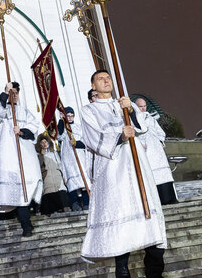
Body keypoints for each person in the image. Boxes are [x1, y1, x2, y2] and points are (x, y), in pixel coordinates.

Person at [79, 70, 167, 278]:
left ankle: (155, 270)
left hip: (138, 165)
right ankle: (122, 269)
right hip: (113, 168)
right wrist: (120, 136)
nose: (106, 80)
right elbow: (93, 136)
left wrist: (132, 111)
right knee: (121, 212)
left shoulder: (125, 104)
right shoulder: (88, 110)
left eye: (108, 77)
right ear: (93, 86)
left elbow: (143, 127)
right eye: (100, 79)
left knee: (148, 210)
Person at [0, 81, 44, 236]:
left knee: (27, 189)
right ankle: (26, 225)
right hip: (9, 157)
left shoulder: (25, 112)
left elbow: (34, 130)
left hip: (25, 155)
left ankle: (27, 221)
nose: (14, 96)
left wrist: (22, 131)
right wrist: (5, 91)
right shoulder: (3, 112)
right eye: (11, 93)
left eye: (16, 93)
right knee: (17, 193)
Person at [136, 98, 178, 206]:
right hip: (146, 151)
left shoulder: (151, 118)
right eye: (140, 106)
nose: (143, 108)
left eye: (144, 106)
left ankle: (170, 197)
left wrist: (159, 141)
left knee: (164, 174)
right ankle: (160, 199)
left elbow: (160, 132)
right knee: (153, 176)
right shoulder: (134, 118)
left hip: (157, 150)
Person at [57, 106, 92, 211]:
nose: (70, 118)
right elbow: (59, 136)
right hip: (69, 159)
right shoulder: (63, 129)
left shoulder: (79, 127)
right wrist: (61, 120)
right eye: (68, 116)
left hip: (80, 157)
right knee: (72, 181)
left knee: (84, 180)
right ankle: (75, 203)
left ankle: (86, 203)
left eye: (72, 116)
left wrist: (76, 143)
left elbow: (86, 142)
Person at [36, 133, 69, 216]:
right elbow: (39, 166)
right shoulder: (38, 155)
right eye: (42, 143)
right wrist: (42, 154)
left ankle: (65, 207)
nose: (44, 144)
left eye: (46, 142)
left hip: (57, 177)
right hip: (47, 179)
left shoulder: (54, 153)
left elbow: (60, 165)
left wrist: (64, 176)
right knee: (49, 194)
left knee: (61, 193)